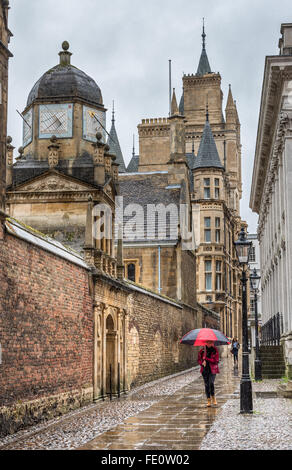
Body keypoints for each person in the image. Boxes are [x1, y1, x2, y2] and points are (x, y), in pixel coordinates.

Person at [198, 340, 219, 407]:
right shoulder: (202, 351)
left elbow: (216, 360)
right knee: (206, 385)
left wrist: (207, 359)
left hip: (212, 369)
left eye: (210, 342)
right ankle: (208, 400)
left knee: (211, 383)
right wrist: (202, 363)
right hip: (205, 370)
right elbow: (199, 360)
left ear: (212, 343)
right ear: (205, 343)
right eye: (208, 342)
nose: (209, 344)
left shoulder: (215, 350)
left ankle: (213, 397)